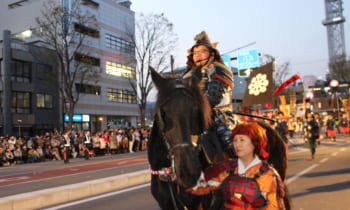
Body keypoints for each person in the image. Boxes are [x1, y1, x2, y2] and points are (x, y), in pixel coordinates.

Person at [189, 122, 288, 209]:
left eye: (242, 140)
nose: (237, 145)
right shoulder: (227, 168)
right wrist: (178, 177)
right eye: (235, 140)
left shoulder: (268, 175)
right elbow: (201, 186)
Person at [183, 31, 234, 154]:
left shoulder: (220, 69)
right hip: (191, 117)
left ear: (212, 54)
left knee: (229, 141)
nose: (198, 55)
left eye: (202, 51)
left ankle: (241, 168)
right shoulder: (187, 75)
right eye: (195, 53)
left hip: (218, 114)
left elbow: (213, 98)